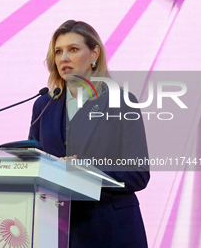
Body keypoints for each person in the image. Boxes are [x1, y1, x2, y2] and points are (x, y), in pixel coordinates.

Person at [29, 20, 150, 248]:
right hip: (57, 228)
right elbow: (36, 164)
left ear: (94, 54)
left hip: (111, 229)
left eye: (73, 49)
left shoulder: (121, 102)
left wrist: (86, 168)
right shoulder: (44, 105)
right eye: (58, 51)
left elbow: (138, 174)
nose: (64, 58)